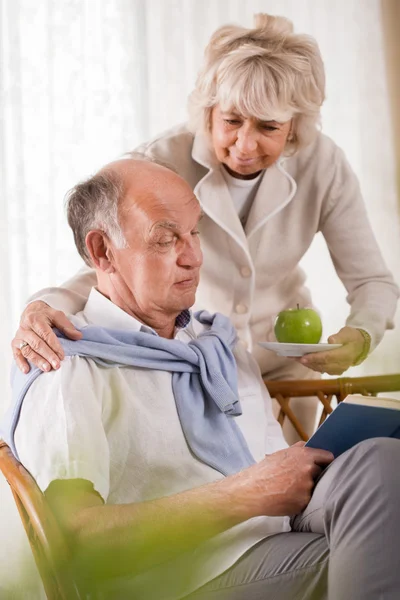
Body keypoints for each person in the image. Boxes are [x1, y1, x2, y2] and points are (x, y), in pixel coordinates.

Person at [3, 157, 400, 600]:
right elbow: (77, 543)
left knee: (380, 461)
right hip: (184, 578)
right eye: (166, 239)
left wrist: (283, 472)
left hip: (273, 531)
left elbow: (267, 466)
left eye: (194, 233)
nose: (193, 257)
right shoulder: (69, 366)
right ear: (101, 252)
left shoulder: (215, 344)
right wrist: (247, 493)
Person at [11, 14, 399, 442]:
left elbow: (372, 281)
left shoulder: (323, 164)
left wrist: (360, 335)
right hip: (189, 357)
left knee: (295, 494)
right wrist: (44, 306)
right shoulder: (157, 162)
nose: (245, 145)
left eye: (268, 127)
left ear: (295, 127)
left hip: (288, 370)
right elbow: (111, 263)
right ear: (208, 109)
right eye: (232, 120)